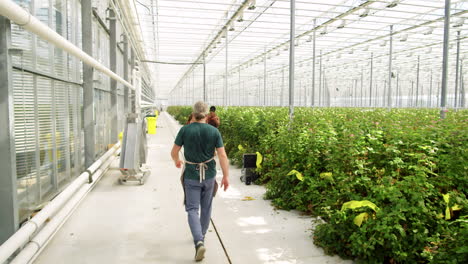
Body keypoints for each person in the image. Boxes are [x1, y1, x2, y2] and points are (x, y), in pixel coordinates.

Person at [171, 101, 230, 262]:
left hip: (191, 175)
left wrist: (177, 160)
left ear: (194, 112)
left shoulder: (185, 130)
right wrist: (225, 176)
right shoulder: (213, 131)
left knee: (191, 209)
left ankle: (198, 241)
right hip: (209, 175)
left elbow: (174, 151)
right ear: (205, 114)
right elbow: (223, 156)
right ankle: (201, 236)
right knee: (206, 208)